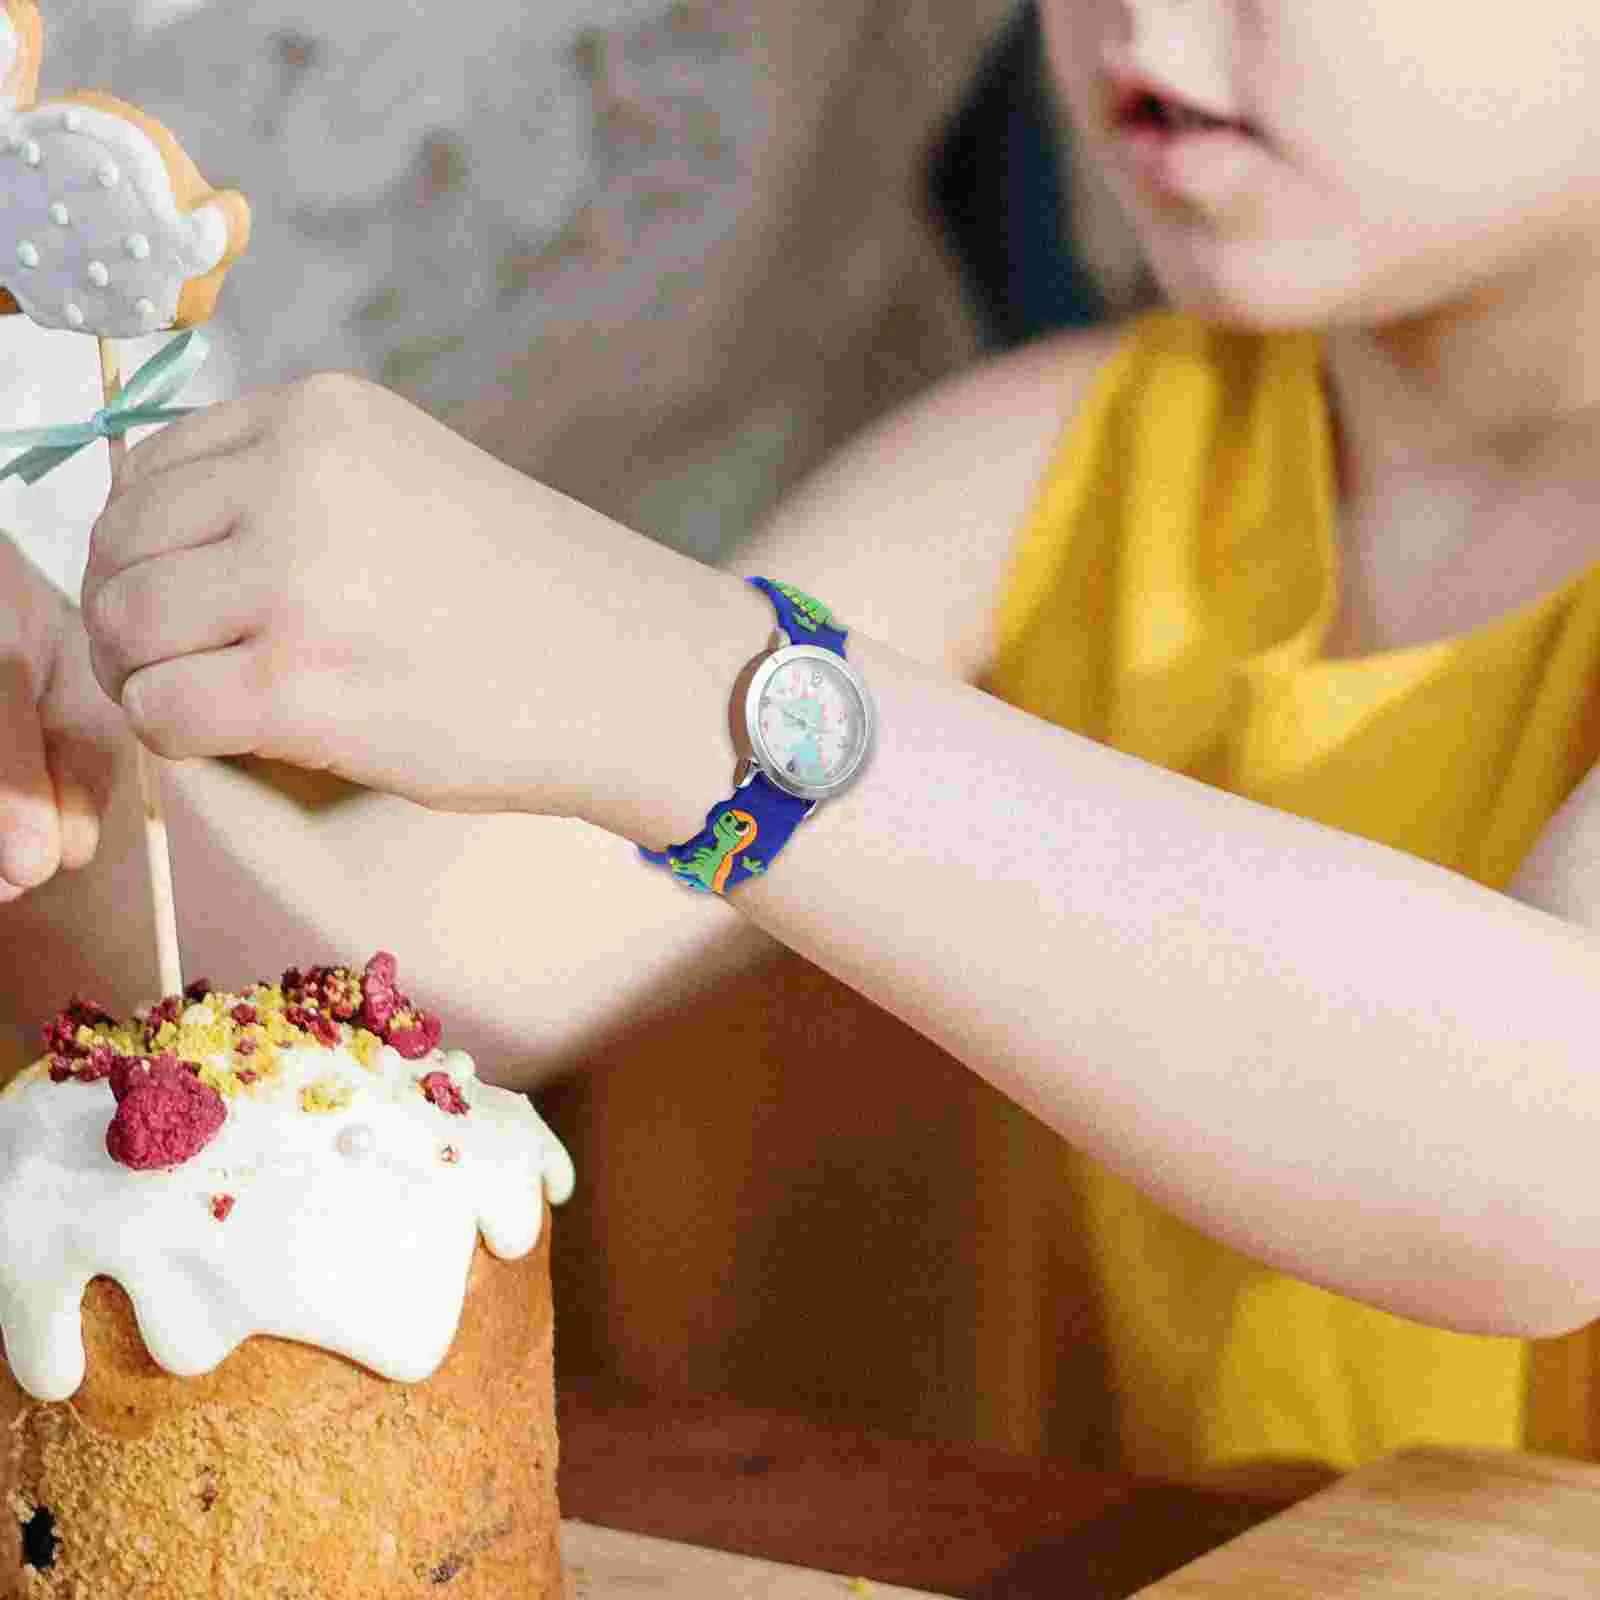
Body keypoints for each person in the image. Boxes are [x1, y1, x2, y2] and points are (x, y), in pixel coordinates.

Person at [8, 0, 1600, 1483]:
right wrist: (60, 735)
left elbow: (1552, 1152)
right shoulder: (1072, 451)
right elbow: (388, 978)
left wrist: (680, 687)